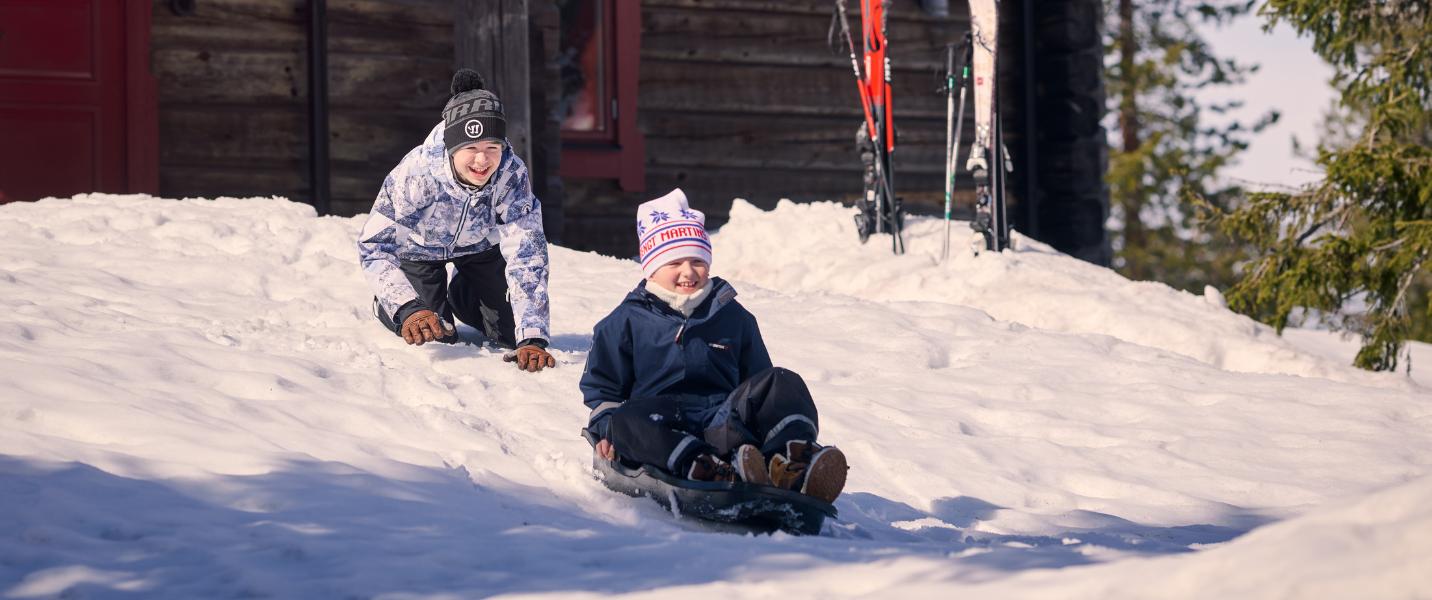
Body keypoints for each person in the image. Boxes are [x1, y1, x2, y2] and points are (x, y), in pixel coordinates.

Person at [579, 189, 848, 502]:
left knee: (782, 380)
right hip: (659, 425)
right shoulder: (626, 320)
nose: (688, 272)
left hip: (722, 423)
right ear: (651, 267)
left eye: (697, 260)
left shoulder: (733, 316)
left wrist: (760, 415)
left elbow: (757, 381)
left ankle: (790, 463)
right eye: (675, 262)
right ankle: (706, 469)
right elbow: (603, 389)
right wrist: (606, 431)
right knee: (625, 421)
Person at [357, 69, 555, 372]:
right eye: (471, 149)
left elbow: (527, 252)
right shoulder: (418, 173)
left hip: (479, 248)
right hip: (418, 252)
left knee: (512, 334)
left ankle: (465, 294)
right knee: (435, 334)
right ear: (452, 146)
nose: (482, 160)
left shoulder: (511, 174)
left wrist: (533, 336)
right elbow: (375, 246)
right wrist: (405, 306)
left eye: (492, 148)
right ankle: (387, 307)